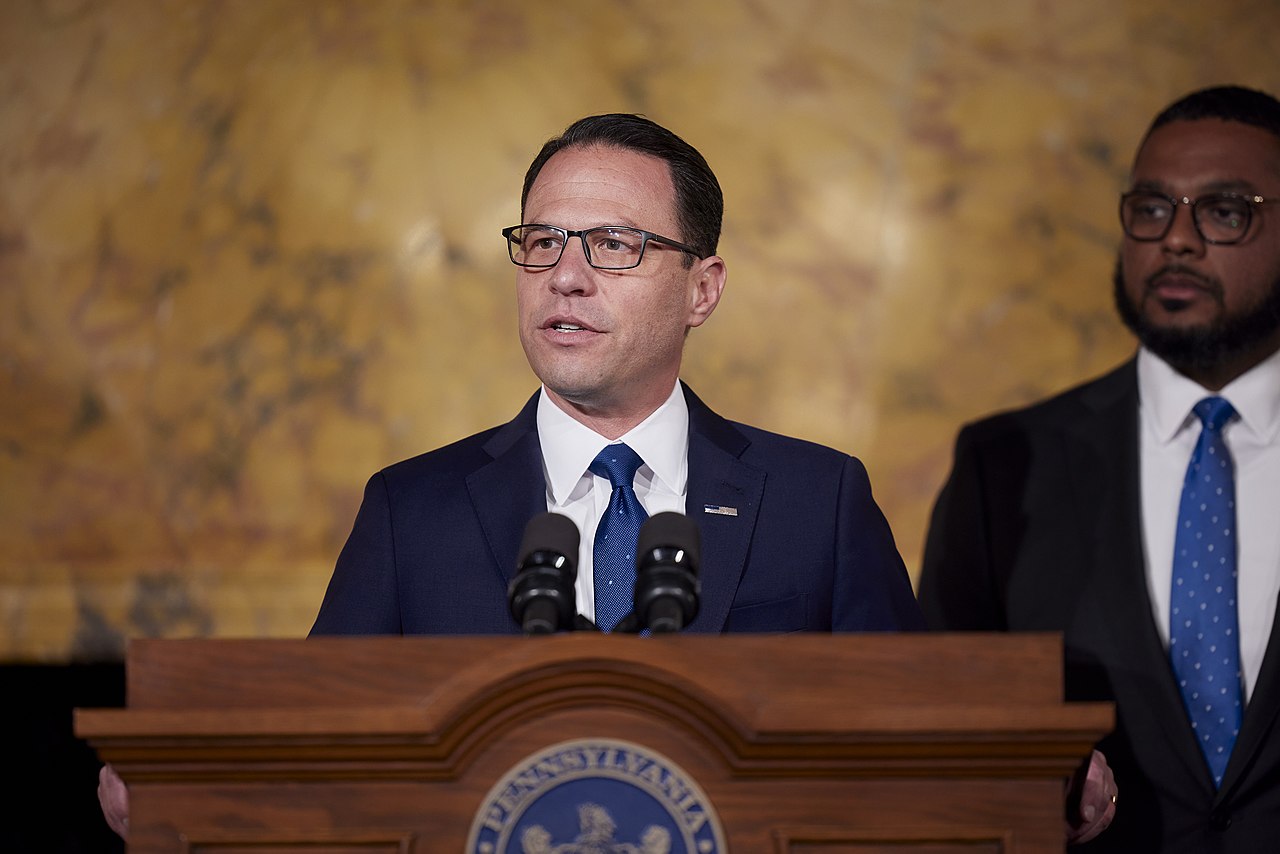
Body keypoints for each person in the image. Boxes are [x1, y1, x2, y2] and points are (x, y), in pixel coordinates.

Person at [99, 113, 927, 838]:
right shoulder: (411, 510)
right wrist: (197, 788)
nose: (566, 276)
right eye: (541, 243)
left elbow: (920, 748)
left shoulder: (817, 501)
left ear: (700, 291)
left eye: (613, 244)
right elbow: (322, 744)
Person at [919, 85, 1280, 853]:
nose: (1175, 240)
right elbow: (938, 725)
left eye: (1224, 211)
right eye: (1151, 208)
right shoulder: (1002, 465)